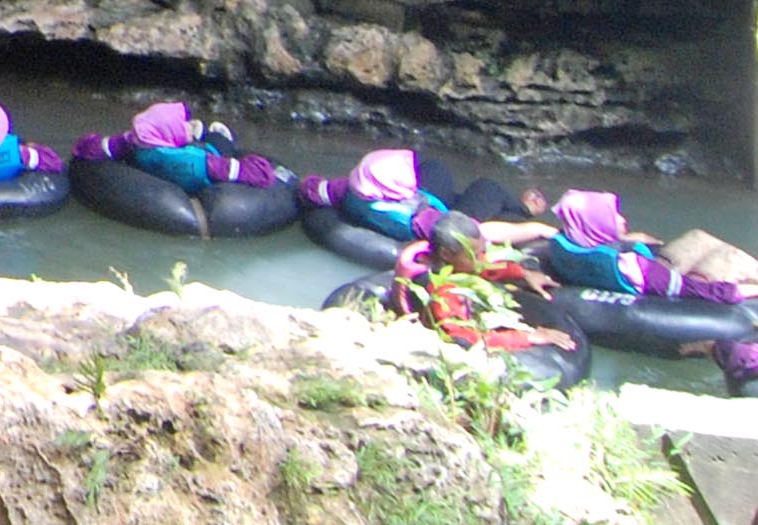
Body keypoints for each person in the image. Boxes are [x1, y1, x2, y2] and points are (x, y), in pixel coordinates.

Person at [489, 191, 754, 302]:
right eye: (614, 216)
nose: (622, 219)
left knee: (698, 236)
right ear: (597, 224)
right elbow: (705, 291)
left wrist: (629, 240)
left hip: (630, 266)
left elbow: (536, 252)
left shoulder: (564, 243)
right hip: (659, 281)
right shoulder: (634, 267)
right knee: (730, 258)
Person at [388, 217, 572, 354]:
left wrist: (522, 273)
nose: (481, 260)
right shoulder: (440, 291)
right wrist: (528, 337)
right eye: (475, 255)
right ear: (445, 253)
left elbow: (481, 267)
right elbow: (464, 338)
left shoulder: (446, 261)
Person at [70, 100, 282, 188]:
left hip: (161, 156)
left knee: (198, 138)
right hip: (194, 166)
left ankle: (197, 133)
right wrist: (258, 164)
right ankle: (213, 136)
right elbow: (254, 174)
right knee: (218, 142)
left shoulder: (135, 141)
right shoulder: (196, 160)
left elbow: (93, 147)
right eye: (182, 125)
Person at [293, 148, 452, 243]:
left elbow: (314, 190)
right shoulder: (418, 219)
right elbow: (444, 229)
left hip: (366, 209)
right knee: (436, 169)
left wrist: (303, 185)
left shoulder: (350, 189)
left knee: (434, 168)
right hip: (411, 226)